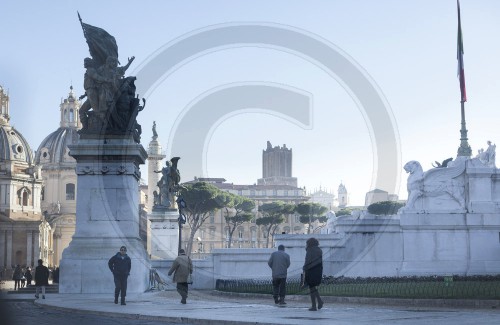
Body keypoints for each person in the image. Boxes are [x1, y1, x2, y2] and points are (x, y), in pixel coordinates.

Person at [303, 237, 324, 311]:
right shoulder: (319, 250)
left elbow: (307, 260)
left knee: (311, 288)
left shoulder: (310, 250)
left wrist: (304, 268)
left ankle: (314, 306)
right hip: (318, 270)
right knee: (313, 287)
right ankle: (319, 301)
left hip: (311, 270)